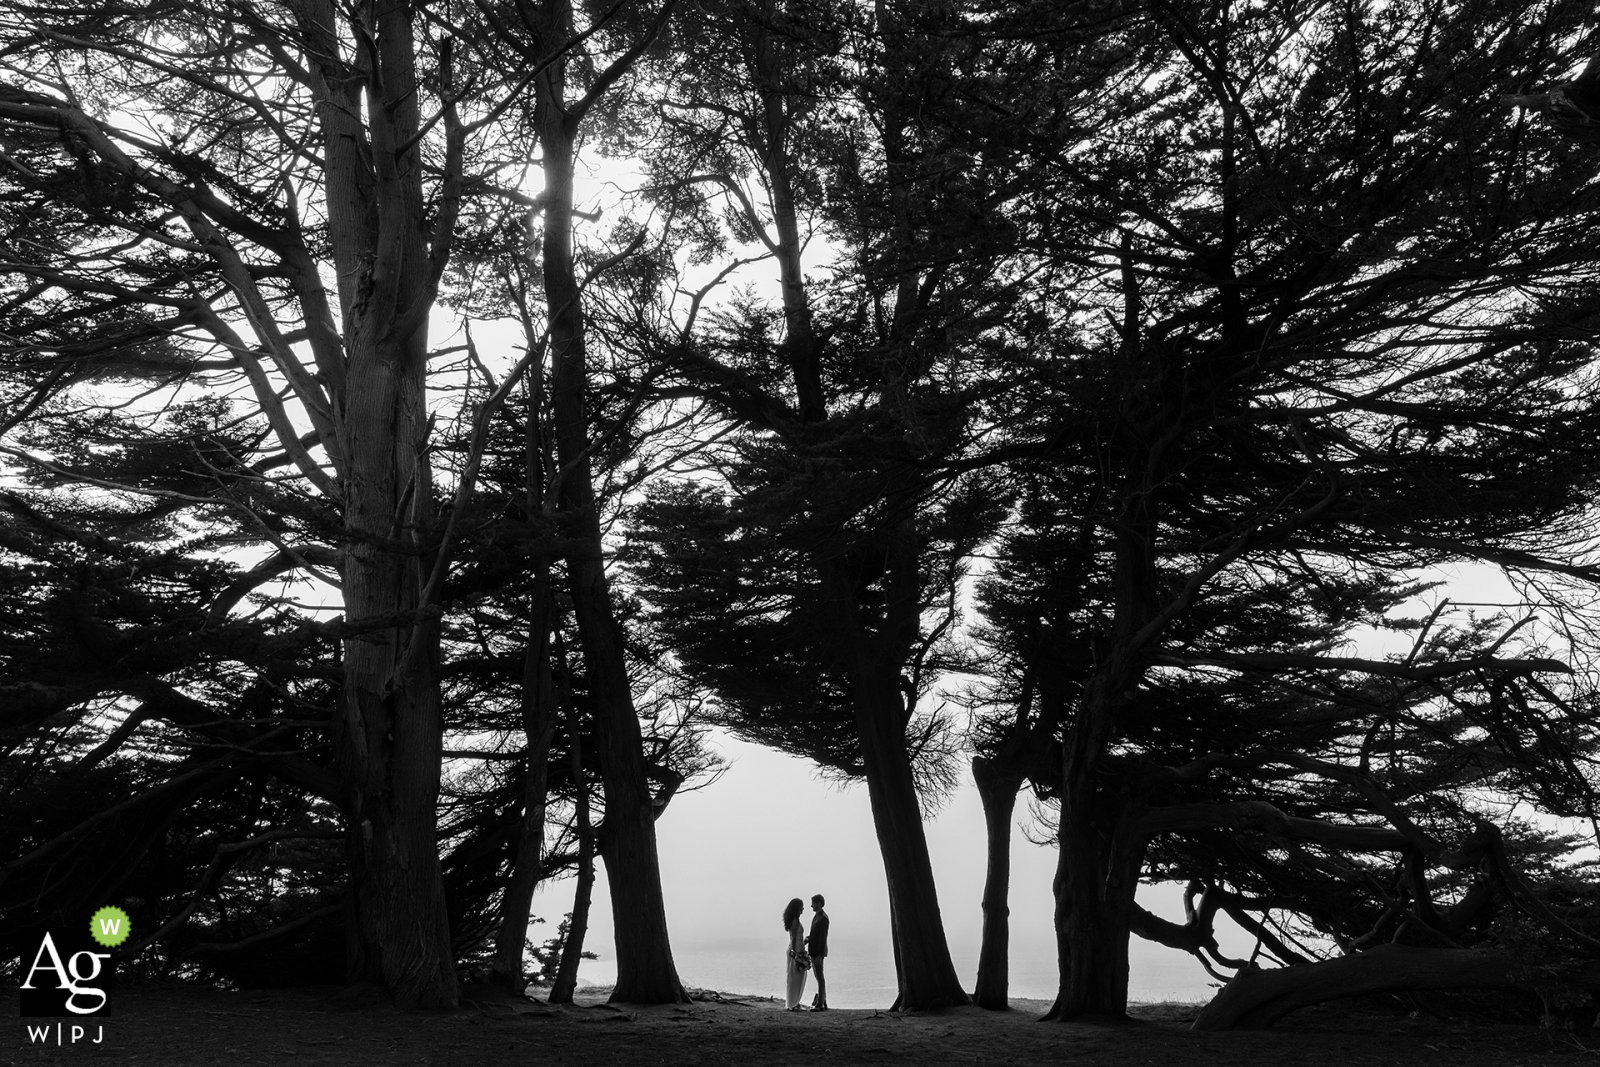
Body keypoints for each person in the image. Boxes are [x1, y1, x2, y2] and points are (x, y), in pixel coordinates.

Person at [782, 897, 809, 1011]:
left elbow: (797, 938)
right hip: (796, 952)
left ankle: (795, 1002)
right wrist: (795, 953)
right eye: (801, 906)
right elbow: (793, 938)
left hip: (799, 950)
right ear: (797, 908)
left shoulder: (796, 920)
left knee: (799, 977)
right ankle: (792, 1003)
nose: (803, 908)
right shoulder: (794, 921)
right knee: (794, 978)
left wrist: (804, 942)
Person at [806, 894, 829, 1010]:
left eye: (813, 903)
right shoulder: (817, 917)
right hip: (814, 951)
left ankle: (820, 1003)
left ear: (819, 903)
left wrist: (820, 954)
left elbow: (822, 938)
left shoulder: (823, 918)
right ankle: (823, 1001)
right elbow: (815, 935)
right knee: (817, 975)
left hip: (817, 952)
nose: (811, 906)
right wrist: (808, 939)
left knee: (819, 976)